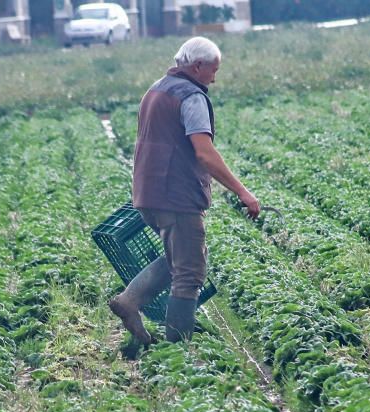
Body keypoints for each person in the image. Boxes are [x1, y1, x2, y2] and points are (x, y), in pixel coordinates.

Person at [109, 36, 260, 344]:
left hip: (148, 193)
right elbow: (204, 152)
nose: (214, 79)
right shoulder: (190, 97)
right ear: (197, 66)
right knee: (189, 273)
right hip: (175, 195)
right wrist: (242, 192)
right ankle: (179, 348)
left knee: (178, 258)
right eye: (213, 70)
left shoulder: (157, 88)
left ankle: (130, 300)